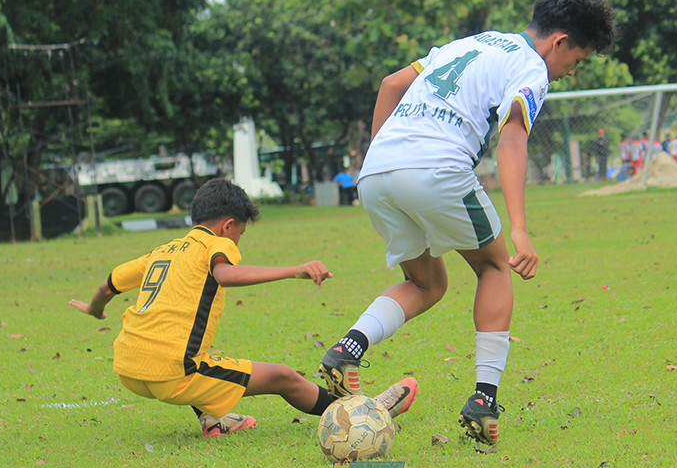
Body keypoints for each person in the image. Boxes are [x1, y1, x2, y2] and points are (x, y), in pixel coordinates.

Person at [317, 0, 617, 445]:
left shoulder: (469, 43)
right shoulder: (531, 67)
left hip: (375, 172)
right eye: (575, 61)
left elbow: (391, 83)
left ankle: (346, 349)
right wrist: (519, 229)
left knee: (428, 283)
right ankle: (484, 400)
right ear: (559, 42)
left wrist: (380, 156)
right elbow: (513, 137)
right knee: (495, 265)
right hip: (437, 168)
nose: (570, 73)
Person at [70, 179, 417, 437]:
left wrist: (92, 309)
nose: (237, 241)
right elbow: (224, 274)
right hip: (171, 373)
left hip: (128, 368)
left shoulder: (161, 251)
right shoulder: (217, 244)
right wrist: (294, 270)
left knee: (207, 356)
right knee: (282, 376)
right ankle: (361, 415)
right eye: (240, 233)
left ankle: (213, 420)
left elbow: (107, 286)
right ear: (228, 225)